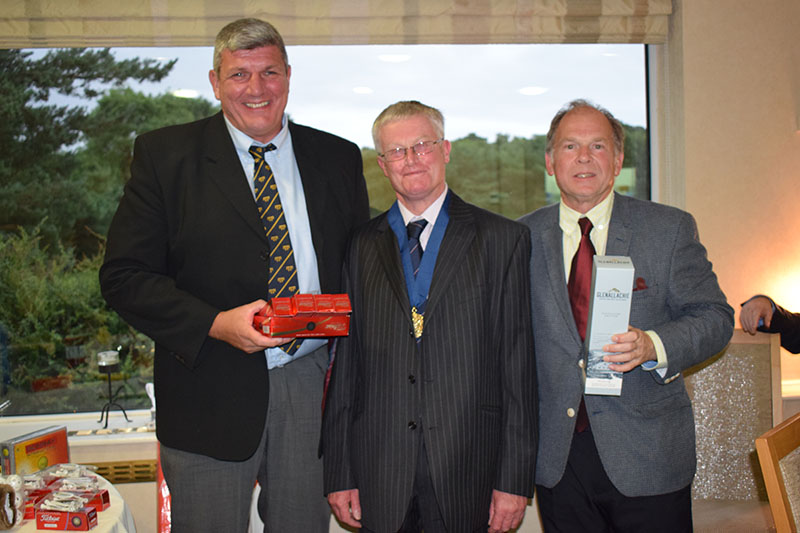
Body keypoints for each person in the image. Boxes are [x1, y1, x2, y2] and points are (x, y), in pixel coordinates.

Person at [99, 18, 369, 532]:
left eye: (269, 72)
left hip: (313, 389)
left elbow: (362, 271)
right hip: (208, 389)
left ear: (288, 76)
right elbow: (124, 276)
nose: (256, 88)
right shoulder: (166, 156)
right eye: (239, 74)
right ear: (215, 82)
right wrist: (215, 324)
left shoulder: (338, 158)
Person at [321, 101, 537, 533]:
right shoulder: (360, 245)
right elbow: (346, 365)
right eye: (397, 151)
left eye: (422, 145)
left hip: (468, 464)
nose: (411, 159)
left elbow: (518, 367)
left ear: (446, 150)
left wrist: (514, 480)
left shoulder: (503, 239)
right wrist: (339, 472)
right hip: (380, 468)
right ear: (382, 165)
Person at [518, 99, 733, 532]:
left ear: (617, 162)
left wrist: (654, 344)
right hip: (558, 460)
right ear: (549, 161)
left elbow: (715, 317)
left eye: (597, 146)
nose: (584, 157)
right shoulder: (518, 237)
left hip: (648, 454)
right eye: (570, 146)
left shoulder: (667, 229)